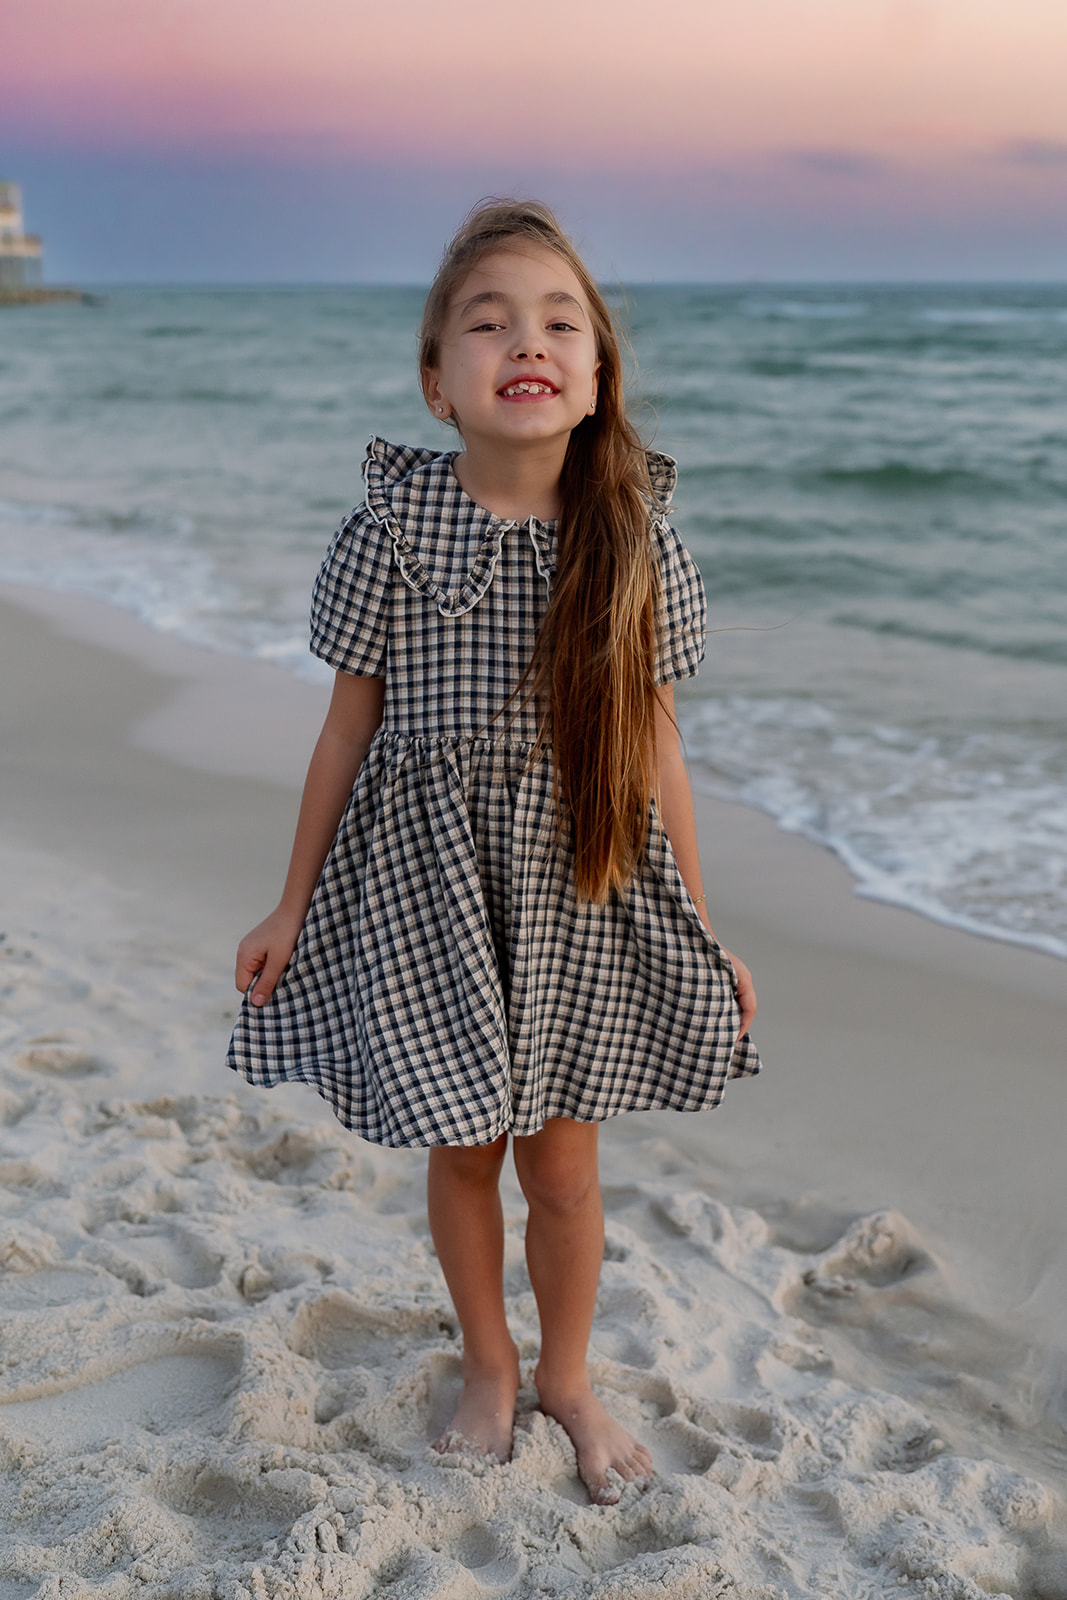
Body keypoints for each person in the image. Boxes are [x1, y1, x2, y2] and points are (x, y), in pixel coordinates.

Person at [228, 199, 760, 1505]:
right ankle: (487, 1359)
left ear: (594, 378)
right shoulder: (391, 534)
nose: (527, 339)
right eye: (489, 321)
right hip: (425, 893)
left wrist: (702, 921)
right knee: (460, 1149)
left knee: (564, 1166)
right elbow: (346, 728)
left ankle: (568, 1375)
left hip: (582, 882)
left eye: (559, 321)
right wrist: (290, 902)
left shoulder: (633, 542)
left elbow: (660, 750)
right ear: (436, 380)